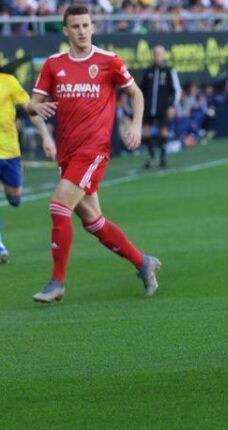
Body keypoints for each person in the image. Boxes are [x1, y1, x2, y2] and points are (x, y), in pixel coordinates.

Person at [28, 5, 161, 303]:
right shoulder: (53, 64)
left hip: (94, 150)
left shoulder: (107, 61)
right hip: (68, 152)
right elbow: (31, 103)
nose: (82, 31)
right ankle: (143, 262)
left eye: (86, 25)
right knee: (93, 221)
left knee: (58, 206)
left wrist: (136, 126)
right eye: (75, 26)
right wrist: (35, 107)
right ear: (66, 31)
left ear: (93, 27)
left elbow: (136, 93)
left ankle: (57, 283)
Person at [0, 71, 55, 263]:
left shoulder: (8, 81)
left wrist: (46, 137)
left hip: (10, 152)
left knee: (15, 199)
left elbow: (31, 110)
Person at [140, 45, 181, 168]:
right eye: (155, 54)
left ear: (164, 56)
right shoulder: (148, 72)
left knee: (163, 131)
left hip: (163, 107)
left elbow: (175, 90)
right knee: (146, 133)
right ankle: (152, 156)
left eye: (159, 54)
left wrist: (172, 106)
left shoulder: (169, 71)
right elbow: (142, 90)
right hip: (148, 107)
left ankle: (162, 157)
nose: (157, 56)